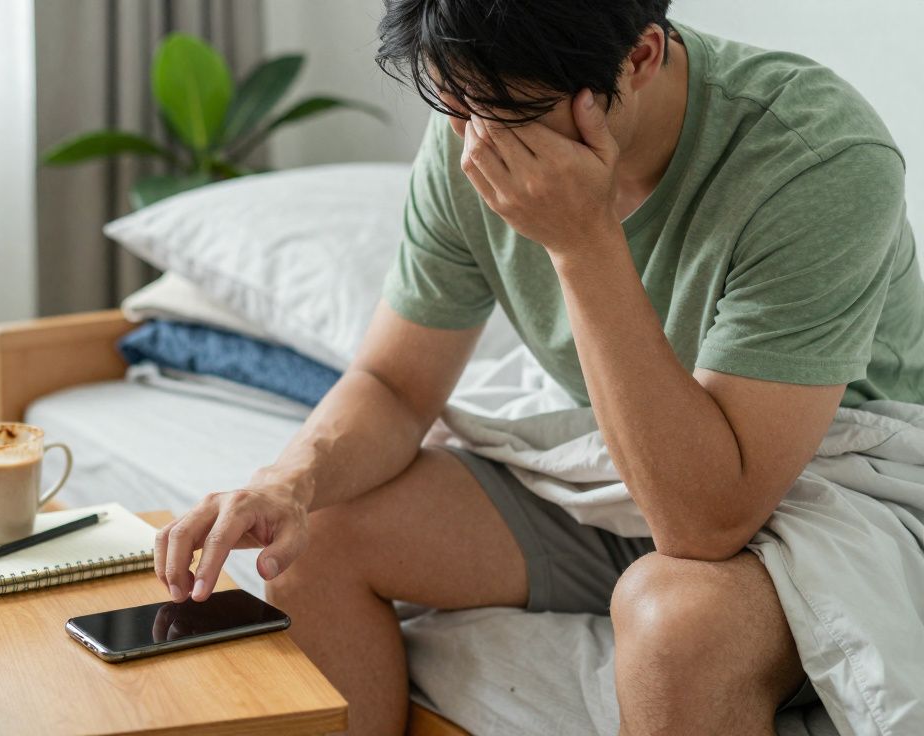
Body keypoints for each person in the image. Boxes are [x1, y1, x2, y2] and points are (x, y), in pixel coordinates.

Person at [153, 1, 923, 733]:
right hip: (627, 457)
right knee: (307, 534)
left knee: (676, 621)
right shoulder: (468, 126)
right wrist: (288, 482)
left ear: (641, 57)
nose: (475, 142)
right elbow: (395, 383)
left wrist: (582, 243)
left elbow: (705, 523)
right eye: (452, 100)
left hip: (833, 486)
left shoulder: (814, 157)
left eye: (508, 112)